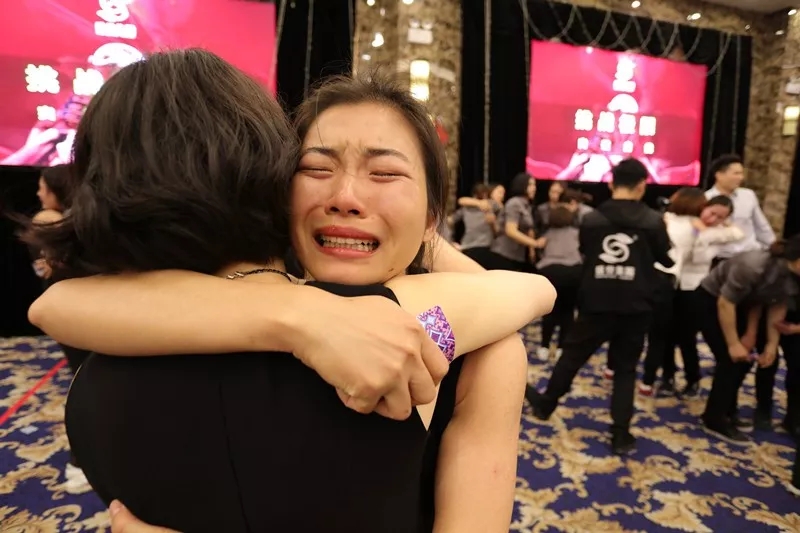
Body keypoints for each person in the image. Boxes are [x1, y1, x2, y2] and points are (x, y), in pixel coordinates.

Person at [28, 51, 555, 532]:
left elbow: (55, 304)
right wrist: (299, 311)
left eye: (386, 173)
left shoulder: (95, 379)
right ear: (273, 185)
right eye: (316, 168)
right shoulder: (429, 322)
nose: (345, 195)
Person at [525, 158, 673, 455]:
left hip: (596, 300)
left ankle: (546, 404)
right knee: (626, 369)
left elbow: (586, 252)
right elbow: (665, 259)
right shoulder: (653, 221)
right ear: (642, 185)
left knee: (572, 356)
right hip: (637, 303)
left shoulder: (592, 219)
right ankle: (620, 434)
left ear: (611, 183)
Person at [696, 236, 800, 443]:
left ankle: (727, 411)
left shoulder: (791, 275)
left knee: (743, 361)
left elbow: (770, 303)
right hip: (711, 301)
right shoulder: (753, 265)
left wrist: (768, 343)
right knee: (731, 359)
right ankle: (713, 419)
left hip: (743, 305)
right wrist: (734, 343)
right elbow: (725, 303)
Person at [639, 189, 742, 397]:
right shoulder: (681, 222)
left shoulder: (714, 232)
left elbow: (702, 256)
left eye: (720, 217)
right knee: (665, 334)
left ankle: (692, 378)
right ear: (703, 207)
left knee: (686, 337)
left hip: (695, 289)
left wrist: (702, 235)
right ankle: (668, 376)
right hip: (672, 285)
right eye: (711, 213)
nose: (712, 219)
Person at [705, 154, 775, 264]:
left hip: (750, 255)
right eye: (736, 173)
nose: (740, 178)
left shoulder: (748, 195)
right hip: (720, 258)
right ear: (719, 175)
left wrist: (773, 247)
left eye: (741, 173)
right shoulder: (705, 198)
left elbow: (761, 226)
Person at [535, 203, 582, 361]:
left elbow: (539, 252)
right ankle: (562, 347)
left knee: (549, 312)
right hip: (573, 272)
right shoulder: (577, 233)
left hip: (550, 272)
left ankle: (544, 346)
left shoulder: (546, 234)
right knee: (568, 312)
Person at [487, 172, 544, 270]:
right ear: (522, 185)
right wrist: (535, 243)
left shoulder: (527, 205)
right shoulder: (514, 203)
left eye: (534, 185)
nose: (534, 188)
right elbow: (511, 230)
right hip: (503, 254)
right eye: (530, 185)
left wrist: (532, 251)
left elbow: (528, 229)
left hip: (517, 256)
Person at [450, 183, 500, 267]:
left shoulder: (490, 204)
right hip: (467, 246)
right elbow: (460, 202)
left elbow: (497, 206)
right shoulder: (466, 208)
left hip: (484, 246)